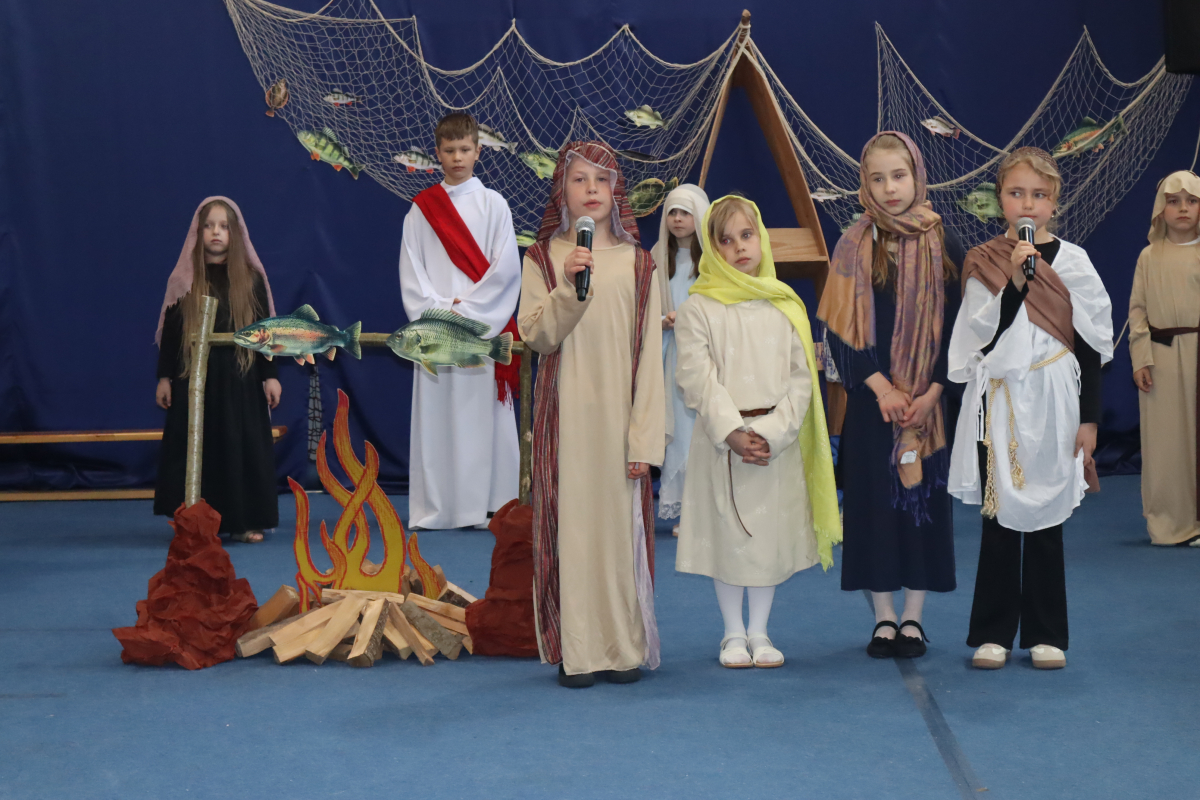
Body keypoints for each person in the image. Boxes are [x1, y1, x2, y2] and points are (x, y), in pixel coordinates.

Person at [947, 147, 1113, 670]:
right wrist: (1017, 281)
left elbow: (1091, 345)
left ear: (1054, 202)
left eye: (1038, 195)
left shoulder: (1075, 262)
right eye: (1016, 193)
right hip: (1000, 400)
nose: (1027, 204)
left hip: (1056, 397)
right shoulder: (985, 259)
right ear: (999, 198)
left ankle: (1046, 633)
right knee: (998, 515)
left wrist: (1089, 419)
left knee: (1047, 516)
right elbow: (982, 336)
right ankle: (993, 632)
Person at [517, 141, 665, 688]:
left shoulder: (640, 264)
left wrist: (645, 440)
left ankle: (623, 648)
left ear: (616, 191)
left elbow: (650, 357)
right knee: (573, 534)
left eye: (602, 180)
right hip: (565, 423)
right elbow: (537, 336)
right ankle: (577, 650)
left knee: (618, 536)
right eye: (579, 179)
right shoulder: (541, 259)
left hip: (622, 425)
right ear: (562, 189)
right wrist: (568, 287)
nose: (591, 190)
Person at [674, 195, 840, 668]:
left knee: (767, 537)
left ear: (762, 238)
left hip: (774, 443)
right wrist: (732, 432)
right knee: (729, 536)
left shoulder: (784, 305)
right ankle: (732, 633)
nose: (739, 247)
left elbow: (802, 379)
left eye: (747, 235)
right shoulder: (698, 308)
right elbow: (696, 377)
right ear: (712, 249)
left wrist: (771, 432)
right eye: (726, 241)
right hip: (723, 442)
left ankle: (760, 631)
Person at [817, 132, 963, 659]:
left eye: (898, 176)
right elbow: (839, 327)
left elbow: (960, 328)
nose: (889, 188)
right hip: (871, 404)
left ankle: (913, 618)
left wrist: (933, 392)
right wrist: (879, 387)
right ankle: (883, 617)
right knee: (874, 507)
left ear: (917, 176)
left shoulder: (944, 242)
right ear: (865, 184)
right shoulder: (854, 243)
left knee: (922, 505)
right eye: (877, 179)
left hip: (927, 406)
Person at [399, 112, 522, 531]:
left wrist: (465, 315)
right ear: (437, 153)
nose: (457, 157)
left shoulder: (494, 205)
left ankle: (490, 505)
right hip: (437, 336)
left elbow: (506, 271)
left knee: (482, 419)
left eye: (464, 149)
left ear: (478, 151)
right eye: (449, 150)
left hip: (478, 334)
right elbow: (412, 271)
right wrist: (439, 313)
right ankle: (441, 507)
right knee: (437, 420)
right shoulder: (421, 210)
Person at [154, 197, 280, 543]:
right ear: (198, 232)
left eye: (224, 226)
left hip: (241, 379)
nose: (216, 232)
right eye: (209, 225)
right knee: (198, 446)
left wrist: (270, 376)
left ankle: (245, 520)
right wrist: (164, 377)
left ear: (235, 234)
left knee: (241, 447)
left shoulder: (251, 280)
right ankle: (195, 522)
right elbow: (171, 335)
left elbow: (266, 333)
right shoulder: (184, 281)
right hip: (194, 380)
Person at [1128, 170, 1200, 546]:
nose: (1183, 208)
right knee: (1167, 443)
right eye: (1174, 201)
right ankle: (1171, 523)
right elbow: (1138, 312)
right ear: (1161, 209)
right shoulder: (1149, 256)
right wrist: (1141, 359)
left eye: (1192, 201)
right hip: (1163, 359)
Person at [650, 184, 710, 533]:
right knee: (680, 433)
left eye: (685, 212)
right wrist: (663, 320)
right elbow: (644, 308)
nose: (677, 219)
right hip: (669, 357)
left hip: (701, 358)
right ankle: (684, 508)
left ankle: (702, 508)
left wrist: (686, 318)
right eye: (672, 212)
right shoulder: (658, 256)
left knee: (699, 429)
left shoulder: (712, 259)